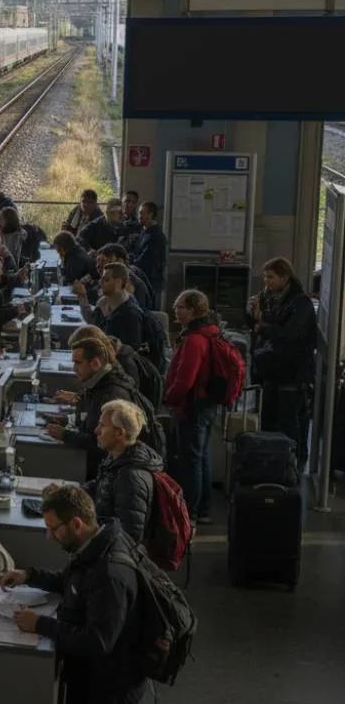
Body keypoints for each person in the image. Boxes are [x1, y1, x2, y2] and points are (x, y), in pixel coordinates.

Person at [0, 485, 146, 704]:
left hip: (107, 689)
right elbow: (71, 582)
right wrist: (29, 575)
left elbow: (97, 641)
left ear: (76, 524)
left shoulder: (109, 573)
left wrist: (40, 624)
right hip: (90, 676)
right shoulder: (94, 546)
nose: (50, 536)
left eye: (54, 529)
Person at [246, 256, 317, 465]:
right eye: (265, 277)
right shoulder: (267, 296)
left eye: (270, 277)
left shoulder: (301, 303)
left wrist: (262, 325)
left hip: (293, 372)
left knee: (289, 421)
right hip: (271, 369)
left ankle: (294, 463)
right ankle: (272, 462)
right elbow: (258, 323)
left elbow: (288, 333)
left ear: (285, 277)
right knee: (268, 418)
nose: (266, 282)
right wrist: (251, 314)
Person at [46, 339, 146, 480]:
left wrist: (65, 435)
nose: (74, 369)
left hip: (106, 470)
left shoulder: (111, 395)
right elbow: (89, 422)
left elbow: (100, 442)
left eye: (78, 363)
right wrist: (67, 420)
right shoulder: (96, 385)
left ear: (95, 363)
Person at [164, 289, 223, 523]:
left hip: (192, 406)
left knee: (190, 460)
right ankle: (203, 507)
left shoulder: (194, 340)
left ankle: (191, 511)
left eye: (180, 307)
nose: (175, 310)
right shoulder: (209, 333)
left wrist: (169, 396)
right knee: (201, 455)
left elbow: (185, 380)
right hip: (206, 405)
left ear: (193, 311)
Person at [85, 400, 162, 544]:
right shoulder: (116, 457)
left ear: (119, 433)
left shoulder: (130, 478)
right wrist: (72, 493)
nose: (96, 431)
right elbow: (101, 486)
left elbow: (128, 537)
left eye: (102, 426)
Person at [74, 263, 143, 349]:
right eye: (101, 279)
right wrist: (82, 297)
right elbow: (93, 322)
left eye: (106, 280)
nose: (100, 282)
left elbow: (131, 350)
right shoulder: (103, 301)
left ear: (118, 283)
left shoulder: (131, 313)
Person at [131, 201, 167, 305]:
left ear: (150, 214)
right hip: (142, 280)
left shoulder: (156, 236)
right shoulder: (144, 232)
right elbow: (136, 252)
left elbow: (145, 261)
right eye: (139, 213)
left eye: (142, 213)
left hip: (150, 283)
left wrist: (128, 263)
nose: (139, 216)